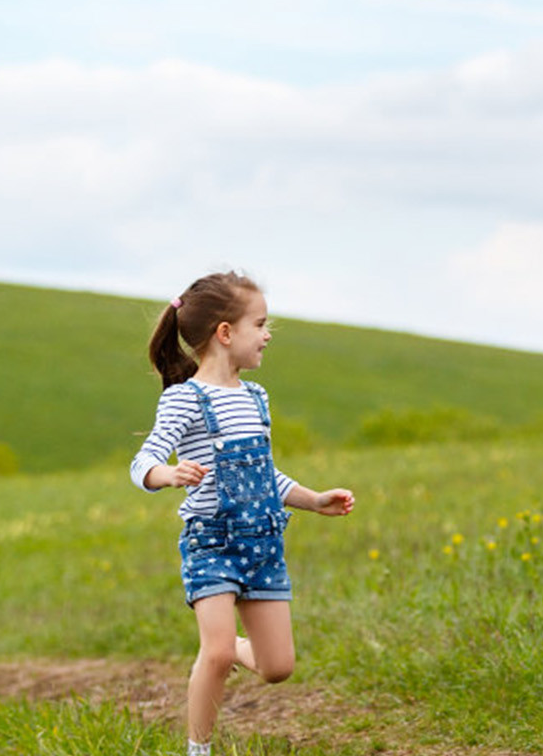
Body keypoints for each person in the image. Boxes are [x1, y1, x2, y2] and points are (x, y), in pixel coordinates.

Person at [131, 272, 355, 756]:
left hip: (262, 544)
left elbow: (264, 477)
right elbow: (142, 461)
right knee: (213, 652)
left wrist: (313, 499)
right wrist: (166, 475)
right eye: (260, 323)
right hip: (211, 541)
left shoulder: (257, 399)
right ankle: (198, 748)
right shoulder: (184, 398)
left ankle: (228, 649)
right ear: (225, 333)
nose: (268, 334)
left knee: (277, 667)